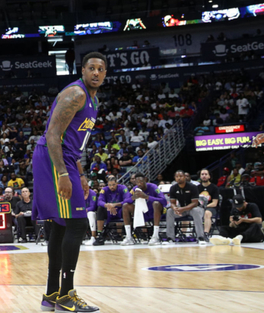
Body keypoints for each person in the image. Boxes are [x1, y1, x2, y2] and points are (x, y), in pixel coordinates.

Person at [33, 52, 106, 312]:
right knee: (77, 223)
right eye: (91, 68)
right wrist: (64, 174)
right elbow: (53, 135)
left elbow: (74, 143)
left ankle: (52, 295)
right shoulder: (75, 94)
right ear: (82, 70)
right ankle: (66, 295)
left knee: (61, 226)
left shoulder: (94, 100)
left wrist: (81, 173)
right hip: (53, 159)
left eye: (101, 69)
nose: (96, 73)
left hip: (66, 159)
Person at [121, 173, 167, 245]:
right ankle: (129, 237)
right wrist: (133, 198)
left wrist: (147, 197)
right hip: (142, 213)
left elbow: (163, 200)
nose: (139, 184)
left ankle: (155, 236)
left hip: (154, 212)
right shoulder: (135, 189)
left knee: (156, 203)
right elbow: (125, 201)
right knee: (125, 206)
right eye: (137, 182)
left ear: (145, 180)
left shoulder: (153, 187)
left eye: (141, 181)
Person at [166, 170, 207, 244]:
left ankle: (200, 237)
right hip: (182, 209)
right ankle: (170, 238)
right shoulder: (173, 188)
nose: (179, 178)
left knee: (196, 211)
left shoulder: (192, 187)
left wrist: (183, 209)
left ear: (184, 177)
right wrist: (175, 208)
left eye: (181, 176)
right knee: (169, 211)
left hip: (194, 208)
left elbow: (194, 203)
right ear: (175, 178)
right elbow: (172, 202)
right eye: (177, 176)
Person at [91, 176, 130, 246]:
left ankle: (128, 235)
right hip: (109, 210)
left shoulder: (123, 188)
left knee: (126, 206)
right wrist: (107, 205)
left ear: (117, 183)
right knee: (100, 208)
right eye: (110, 185)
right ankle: (100, 235)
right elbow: (99, 201)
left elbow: (128, 199)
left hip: (120, 210)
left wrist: (116, 205)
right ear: (107, 185)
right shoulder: (104, 190)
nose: (112, 187)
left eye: (113, 185)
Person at [197, 169, 220, 236]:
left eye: (206, 174)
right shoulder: (197, 188)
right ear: (200, 176)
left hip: (211, 207)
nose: (204, 176)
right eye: (202, 174)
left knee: (207, 213)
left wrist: (205, 206)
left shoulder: (214, 188)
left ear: (209, 176)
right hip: (199, 207)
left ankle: (206, 233)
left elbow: (214, 203)